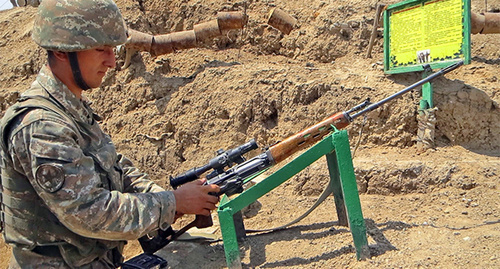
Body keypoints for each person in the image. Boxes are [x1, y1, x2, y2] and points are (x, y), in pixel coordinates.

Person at [0, 0, 220, 267]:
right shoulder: (41, 126)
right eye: (101, 49)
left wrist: (166, 197)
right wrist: (172, 203)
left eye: (112, 49)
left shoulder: (70, 109)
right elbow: (89, 212)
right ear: (61, 51)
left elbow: (116, 167)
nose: (112, 62)